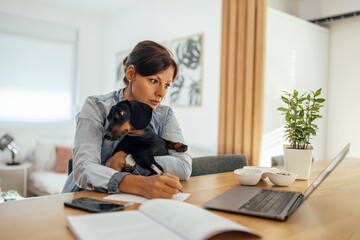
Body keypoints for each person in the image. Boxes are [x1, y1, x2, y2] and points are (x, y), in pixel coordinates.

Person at [62, 40, 192, 199]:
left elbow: (183, 166)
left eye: (166, 85)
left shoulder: (164, 115)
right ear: (131, 74)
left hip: (137, 202)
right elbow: (84, 169)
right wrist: (140, 184)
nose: (161, 93)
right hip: (84, 199)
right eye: (153, 81)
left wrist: (128, 160)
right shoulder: (97, 106)